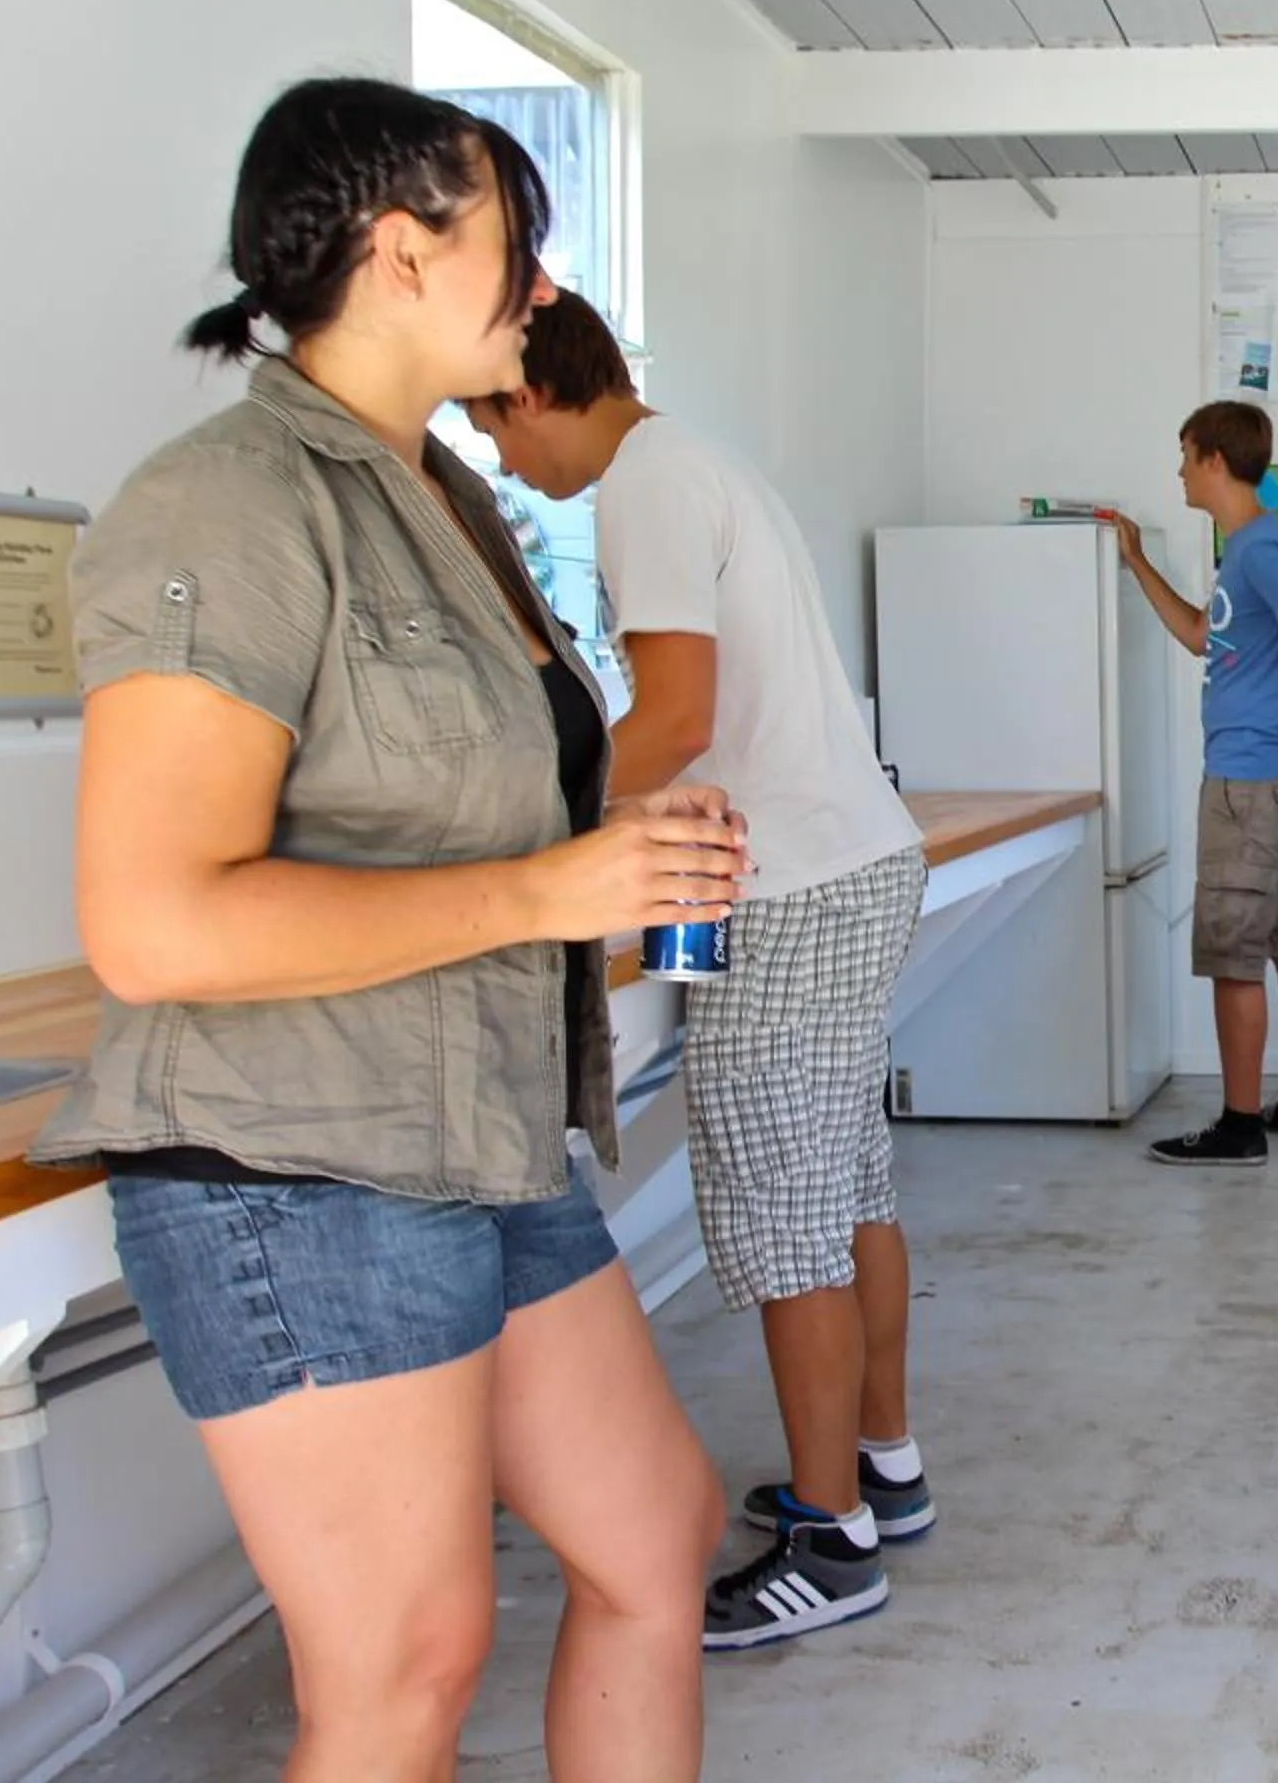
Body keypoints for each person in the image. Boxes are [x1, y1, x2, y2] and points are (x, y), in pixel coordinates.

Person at [35, 78, 745, 1779]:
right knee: (402, 1671)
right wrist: (551, 890)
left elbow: (455, 808)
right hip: (299, 1163)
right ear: (401, 250)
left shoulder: (451, 500)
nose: (544, 288)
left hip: (478, 1133)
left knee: (653, 1536)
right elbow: (153, 924)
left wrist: (615, 848)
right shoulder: (226, 503)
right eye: (521, 244)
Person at [466, 295, 935, 1651]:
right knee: (846, 1188)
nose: (504, 464)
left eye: (494, 428)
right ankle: (882, 1469)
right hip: (840, 864)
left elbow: (672, 716)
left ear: (532, 392)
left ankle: (831, 1542)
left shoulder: (645, 485)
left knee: (785, 1216)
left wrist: (523, 839)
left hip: (790, 887)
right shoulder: (697, 460)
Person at [1113, 401, 1278, 1167]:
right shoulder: (1247, 550)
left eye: (1186, 454)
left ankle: (1240, 1125)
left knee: (1233, 952)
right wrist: (1137, 562)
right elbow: (1201, 636)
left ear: (1215, 459)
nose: (1179, 470)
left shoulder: (1260, 549)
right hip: (1264, 784)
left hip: (1249, 787)